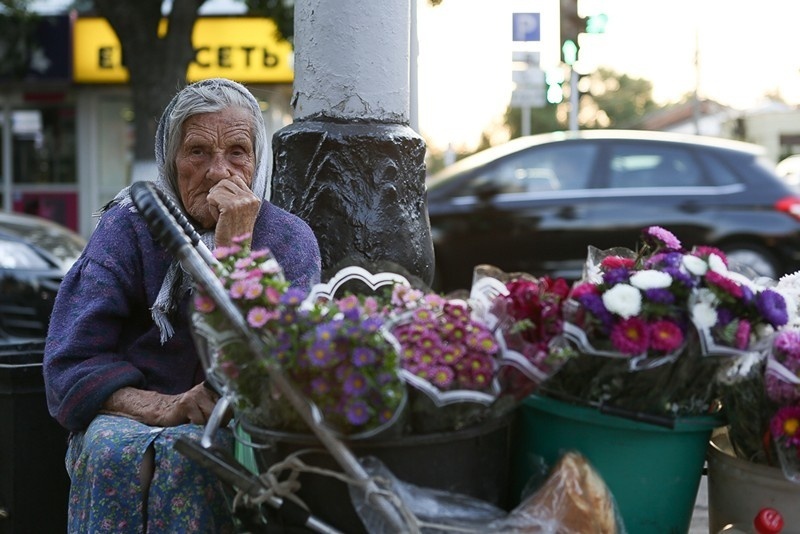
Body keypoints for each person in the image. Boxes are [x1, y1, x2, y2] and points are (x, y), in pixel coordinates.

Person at [43, 78, 322, 533]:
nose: (217, 171)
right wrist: (162, 407)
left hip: (238, 425)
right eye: (197, 152)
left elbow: (275, 366)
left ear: (258, 161)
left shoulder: (287, 239)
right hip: (130, 413)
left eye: (237, 152)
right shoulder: (129, 227)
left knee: (195, 459)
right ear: (171, 163)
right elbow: (70, 365)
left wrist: (234, 251)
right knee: (117, 453)